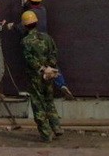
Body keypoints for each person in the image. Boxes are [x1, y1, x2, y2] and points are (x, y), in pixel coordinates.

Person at [17, 0, 74, 99]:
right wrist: (27, 3)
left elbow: (22, 26)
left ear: (30, 0)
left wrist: (12, 25)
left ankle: (38, 90)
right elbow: (33, 9)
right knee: (52, 64)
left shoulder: (30, 13)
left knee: (36, 66)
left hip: (34, 42)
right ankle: (61, 84)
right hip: (46, 40)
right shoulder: (43, 10)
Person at [20, 10, 63, 143]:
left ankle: (46, 134)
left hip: (35, 77)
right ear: (36, 22)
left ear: (25, 25)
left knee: (38, 103)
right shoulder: (47, 38)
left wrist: (41, 69)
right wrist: (49, 67)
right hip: (49, 75)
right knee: (49, 100)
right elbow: (54, 53)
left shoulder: (26, 41)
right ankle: (56, 127)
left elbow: (29, 59)